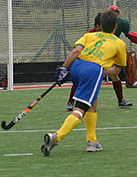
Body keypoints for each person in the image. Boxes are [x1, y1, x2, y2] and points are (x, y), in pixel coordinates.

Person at [41, 10, 127, 156]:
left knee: (92, 103)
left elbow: (75, 52)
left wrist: (64, 68)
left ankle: (92, 141)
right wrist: (100, 72)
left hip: (76, 67)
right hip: (92, 71)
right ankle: (56, 137)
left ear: (100, 24)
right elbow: (116, 71)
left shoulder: (89, 35)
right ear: (115, 27)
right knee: (80, 109)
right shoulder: (119, 44)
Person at [65, 13, 133, 111]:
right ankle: (71, 102)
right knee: (83, 80)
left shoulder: (112, 35)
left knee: (114, 76)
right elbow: (78, 50)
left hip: (104, 59)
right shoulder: (91, 34)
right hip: (90, 62)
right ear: (97, 26)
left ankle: (121, 100)